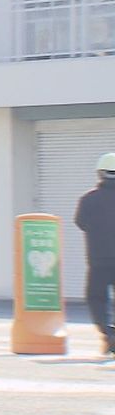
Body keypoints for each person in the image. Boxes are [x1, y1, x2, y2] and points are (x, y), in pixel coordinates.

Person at [75, 152, 115, 355]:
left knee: (96, 298)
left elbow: (81, 222)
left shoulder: (88, 199)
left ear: (100, 174)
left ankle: (108, 334)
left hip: (98, 259)